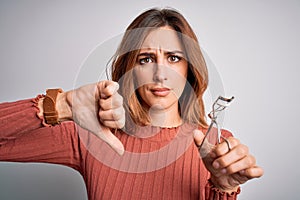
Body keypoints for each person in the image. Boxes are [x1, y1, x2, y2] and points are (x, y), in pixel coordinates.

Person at [0, 8, 263, 200]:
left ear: (189, 69)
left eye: (173, 58)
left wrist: (224, 189)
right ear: (130, 69)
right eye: (146, 59)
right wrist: (61, 105)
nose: (161, 74)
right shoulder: (90, 136)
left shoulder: (217, 145)